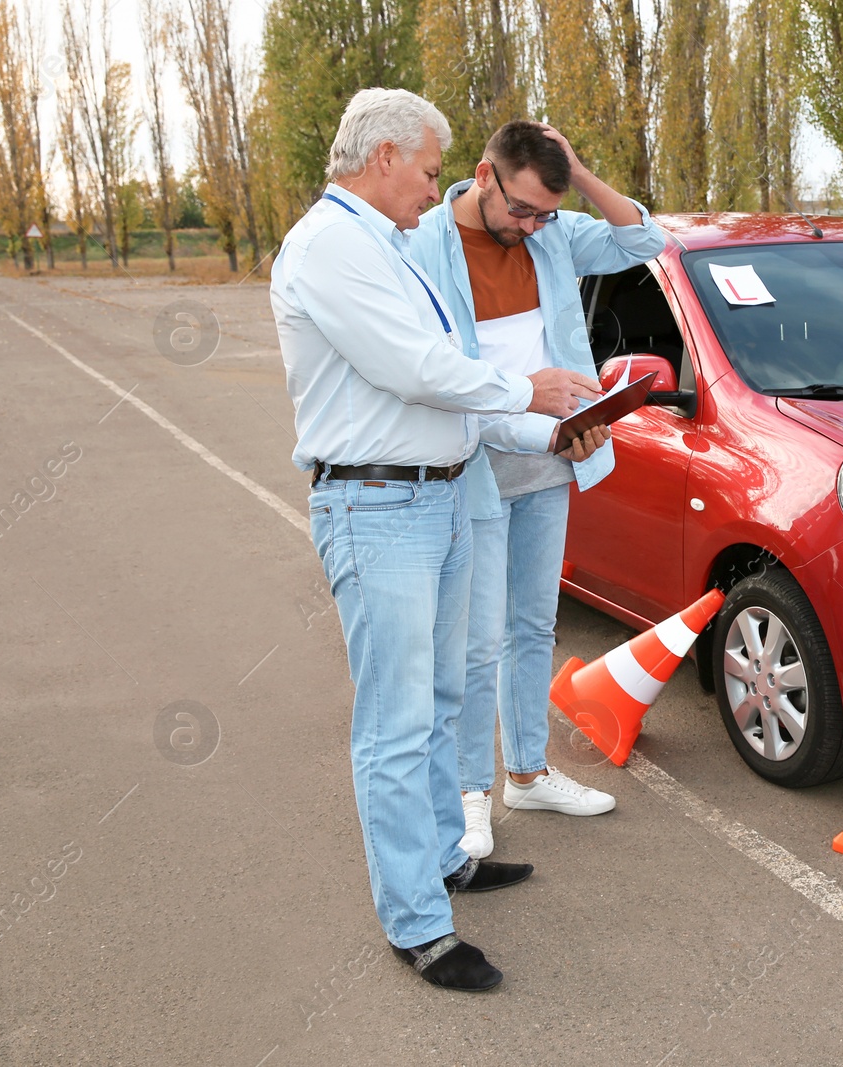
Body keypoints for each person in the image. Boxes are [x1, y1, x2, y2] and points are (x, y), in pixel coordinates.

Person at [270, 89, 602, 992]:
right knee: (396, 722)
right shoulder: (331, 247)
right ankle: (417, 922)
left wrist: (557, 426)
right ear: (381, 157)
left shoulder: (388, 242)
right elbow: (416, 370)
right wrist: (530, 392)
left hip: (443, 495)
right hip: (378, 509)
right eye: (424, 169)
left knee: (448, 691)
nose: (432, 187)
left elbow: (453, 383)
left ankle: (444, 857)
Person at [406, 121, 666, 858]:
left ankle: (526, 771)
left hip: (553, 460)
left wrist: (577, 174)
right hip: (477, 461)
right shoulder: (423, 243)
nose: (530, 227)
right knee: (477, 641)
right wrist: (536, 419)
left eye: (544, 214)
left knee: (532, 628)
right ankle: (468, 794)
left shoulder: (550, 231)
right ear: (484, 176)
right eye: (521, 209)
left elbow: (645, 242)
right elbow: (439, 380)